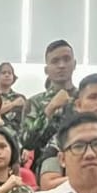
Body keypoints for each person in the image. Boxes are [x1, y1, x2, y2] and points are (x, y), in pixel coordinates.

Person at [21, 41, 79, 170]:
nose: (61, 65)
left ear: (74, 64)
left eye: (66, 59)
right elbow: (27, 142)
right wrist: (49, 109)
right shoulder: (35, 102)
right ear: (46, 70)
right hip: (45, 169)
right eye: (55, 61)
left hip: (82, 165)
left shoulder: (85, 97)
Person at [0, 62, 29, 135]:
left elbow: (28, 117)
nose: (7, 75)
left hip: (17, 135)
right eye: (3, 73)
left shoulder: (20, 97)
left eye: (10, 73)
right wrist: (13, 104)